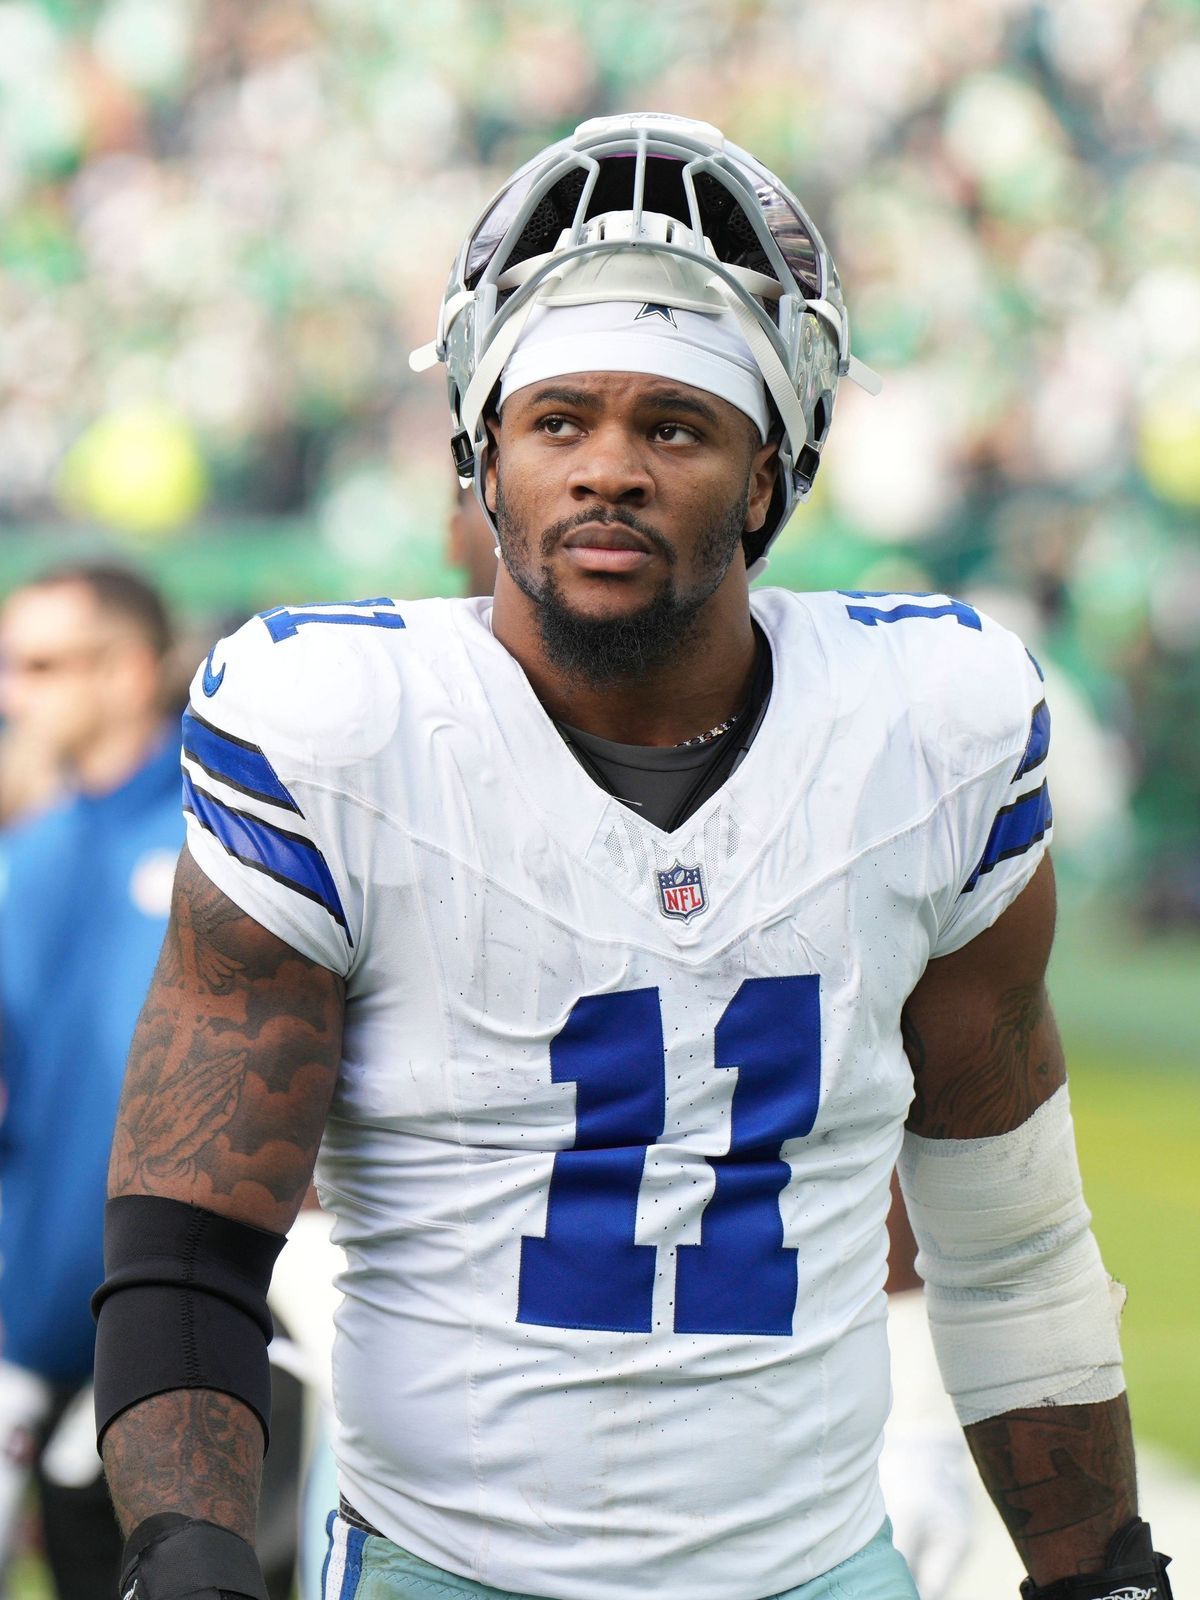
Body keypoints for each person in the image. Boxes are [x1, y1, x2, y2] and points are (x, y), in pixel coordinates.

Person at [94, 114, 1173, 1600]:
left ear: (765, 470)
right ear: (483, 452)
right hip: (442, 1565)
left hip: (811, 1567)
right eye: (560, 421)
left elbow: (1009, 1241)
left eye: (674, 425)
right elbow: (188, 1248)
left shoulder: (932, 725)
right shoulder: (337, 730)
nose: (609, 468)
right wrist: (191, 1555)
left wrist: (1098, 1566)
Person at [446, 480, 977, 1596]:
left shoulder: (824, 772)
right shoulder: (395, 770)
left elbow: (867, 1118)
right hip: (461, 1477)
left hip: (768, 1480)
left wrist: (923, 1410)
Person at [0, 564, 184, 1600]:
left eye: (40, 665)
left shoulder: (229, 833)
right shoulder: (32, 844)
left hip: (171, 1323)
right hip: (23, 1313)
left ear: (124, 671)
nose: (12, 694)